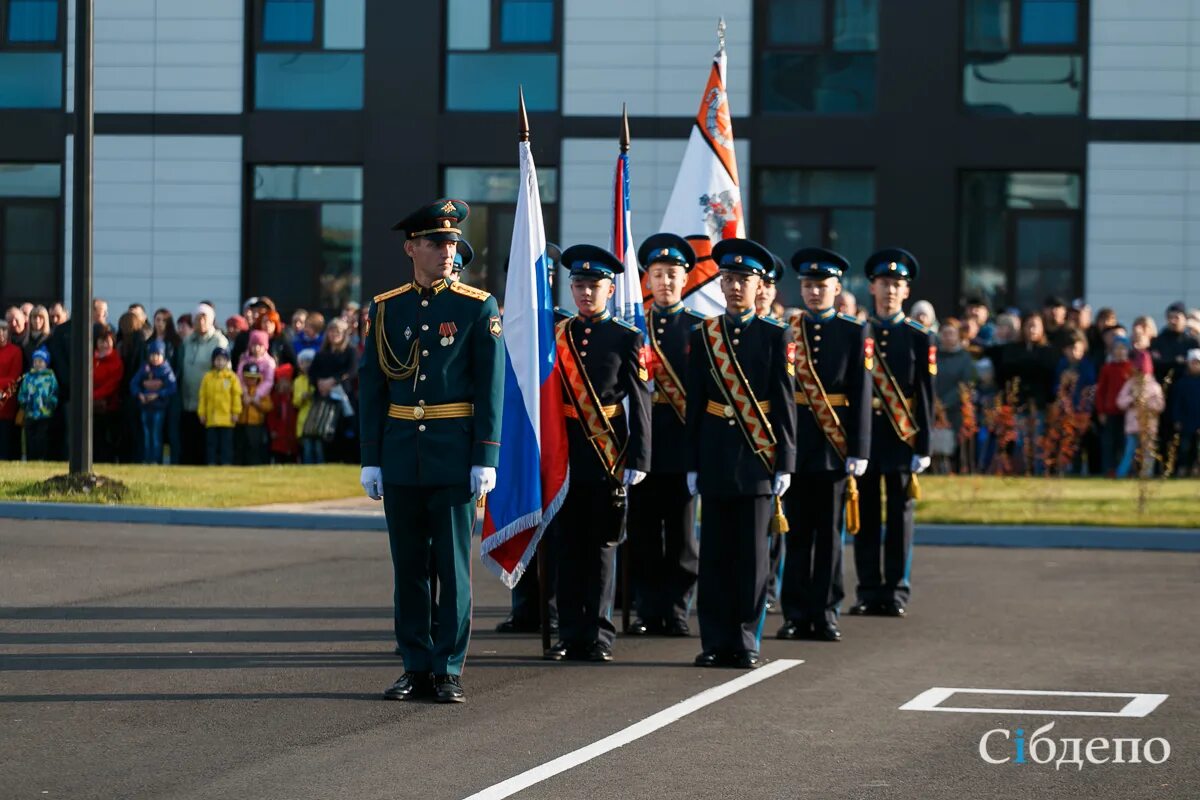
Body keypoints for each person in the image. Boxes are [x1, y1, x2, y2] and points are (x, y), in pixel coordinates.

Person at [359, 199, 504, 704]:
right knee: (410, 569)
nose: (446, 250)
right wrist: (371, 457)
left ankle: (448, 668)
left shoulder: (475, 306)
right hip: (401, 454)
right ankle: (415, 665)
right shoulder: (386, 307)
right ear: (411, 248)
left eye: (450, 242)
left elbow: (490, 387)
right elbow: (373, 387)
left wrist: (485, 457)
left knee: (452, 566)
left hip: (452, 454)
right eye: (435, 242)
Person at [687, 238, 796, 668]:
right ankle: (714, 640)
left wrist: (784, 461)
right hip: (715, 453)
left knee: (752, 559)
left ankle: (746, 639)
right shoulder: (706, 333)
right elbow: (696, 402)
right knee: (713, 556)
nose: (735, 287)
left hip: (758, 455)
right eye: (728, 279)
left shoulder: (775, 335)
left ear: (759, 285)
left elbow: (785, 403)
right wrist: (693, 461)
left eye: (743, 280)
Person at [543, 243, 651, 664]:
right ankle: (569, 633)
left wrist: (638, 460)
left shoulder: (626, 337)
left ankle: (598, 634)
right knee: (567, 547)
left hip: (607, 454)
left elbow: (640, 402)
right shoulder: (558, 334)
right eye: (579, 285)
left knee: (602, 549)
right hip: (565, 454)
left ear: (610, 289)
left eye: (595, 285)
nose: (586, 293)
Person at [776, 247, 870, 644]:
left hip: (834, 445)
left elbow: (861, 392)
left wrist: (859, 449)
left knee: (830, 537)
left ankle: (826, 611)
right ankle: (795, 612)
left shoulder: (852, 331)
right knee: (795, 536)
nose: (815, 293)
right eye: (808, 286)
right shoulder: (786, 329)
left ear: (837, 288)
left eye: (822, 286)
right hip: (797, 444)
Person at [626, 233, 704, 638]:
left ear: (685, 278)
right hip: (642, 445)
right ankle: (647, 607)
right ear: (647, 279)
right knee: (641, 534)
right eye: (657, 275)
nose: (665, 282)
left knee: (680, 536)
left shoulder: (699, 330)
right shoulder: (634, 327)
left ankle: (675, 608)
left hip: (680, 446)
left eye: (672, 275)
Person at [850, 248, 934, 619]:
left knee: (900, 516)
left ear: (907, 291)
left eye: (896, 284)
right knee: (865, 514)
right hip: (868, 437)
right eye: (884, 283)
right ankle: (868, 589)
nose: (889, 291)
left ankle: (896, 590)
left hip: (902, 436)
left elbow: (926, 397)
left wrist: (925, 444)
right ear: (872, 287)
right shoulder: (857, 332)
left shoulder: (919, 336)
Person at [178, 304, 228, 464]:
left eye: (204, 317)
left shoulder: (219, 340)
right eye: (198, 318)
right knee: (190, 440)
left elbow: (225, 370)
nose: (201, 321)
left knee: (207, 443)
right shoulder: (187, 341)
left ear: (212, 320)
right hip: (189, 399)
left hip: (210, 403)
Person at [310, 317, 358, 462]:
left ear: (344, 333)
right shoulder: (321, 353)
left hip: (344, 397)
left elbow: (352, 371)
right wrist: (320, 384)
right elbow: (312, 372)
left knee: (345, 430)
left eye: (337, 331)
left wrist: (333, 381)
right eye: (331, 331)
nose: (334, 334)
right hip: (324, 398)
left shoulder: (350, 351)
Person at [934, 319, 978, 472]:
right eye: (944, 334)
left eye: (951, 334)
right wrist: (934, 403)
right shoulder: (934, 356)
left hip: (956, 410)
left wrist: (943, 404)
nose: (947, 337)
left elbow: (965, 384)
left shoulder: (965, 358)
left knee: (956, 447)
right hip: (934, 409)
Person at [1116, 351, 1165, 478]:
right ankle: (1121, 474)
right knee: (1129, 452)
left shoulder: (1154, 387)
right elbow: (1120, 401)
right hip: (1132, 426)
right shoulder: (1130, 384)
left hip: (1148, 426)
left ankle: (1147, 475)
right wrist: (1132, 399)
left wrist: (1147, 403)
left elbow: (1160, 405)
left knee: (1148, 453)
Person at [129, 340, 177, 464]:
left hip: (159, 408)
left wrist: (157, 395)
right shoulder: (144, 368)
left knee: (156, 435)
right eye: (152, 354)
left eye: (158, 355)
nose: (155, 358)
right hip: (145, 407)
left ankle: (156, 459)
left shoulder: (166, 370)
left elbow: (172, 387)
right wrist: (139, 394)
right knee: (146, 435)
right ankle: (146, 458)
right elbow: (133, 383)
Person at [236, 329, 276, 466]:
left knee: (256, 443)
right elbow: (239, 378)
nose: (256, 348)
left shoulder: (269, 362)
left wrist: (256, 396)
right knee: (241, 443)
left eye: (259, 345)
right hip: (243, 405)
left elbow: (268, 381)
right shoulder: (244, 360)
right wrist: (245, 393)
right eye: (253, 345)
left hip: (259, 404)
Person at [1096, 336, 1134, 476]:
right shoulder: (1107, 369)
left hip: (1127, 413)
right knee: (1109, 443)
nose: (1120, 352)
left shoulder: (1131, 368)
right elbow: (1101, 391)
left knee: (1124, 443)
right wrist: (1101, 411)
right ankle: (1109, 469)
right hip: (1110, 411)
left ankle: (1125, 469)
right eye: (1117, 349)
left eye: (1123, 349)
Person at [198, 347, 242, 465]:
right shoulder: (208, 377)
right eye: (217, 359)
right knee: (211, 444)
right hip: (211, 418)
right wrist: (202, 413)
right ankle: (211, 463)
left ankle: (226, 463)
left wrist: (235, 412)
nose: (220, 362)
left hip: (227, 418)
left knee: (226, 444)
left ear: (227, 361)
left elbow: (236, 396)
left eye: (223, 359)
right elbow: (203, 397)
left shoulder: (231, 377)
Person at [17, 347, 57, 460]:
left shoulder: (50, 377)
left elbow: (54, 392)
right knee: (30, 437)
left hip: (44, 414)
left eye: (41, 361)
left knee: (42, 437)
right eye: (35, 361)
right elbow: (22, 392)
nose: (38, 364)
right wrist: (23, 402)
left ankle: (42, 457)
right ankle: (30, 457)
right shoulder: (28, 377)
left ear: (46, 363)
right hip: (30, 413)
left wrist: (51, 405)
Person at [92, 329, 124, 463]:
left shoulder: (116, 360)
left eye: (107, 342)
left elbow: (113, 383)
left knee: (107, 437)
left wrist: (94, 395)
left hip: (109, 405)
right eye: (101, 341)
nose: (104, 345)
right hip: (92, 406)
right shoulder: (92, 358)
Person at [1169, 349, 1200, 475]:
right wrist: (1177, 419)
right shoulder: (1181, 383)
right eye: (1193, 362)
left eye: (1198, 363)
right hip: (1186, 421)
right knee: (1184, 448)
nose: (1195, 365)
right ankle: (1182, 468)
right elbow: (1176, 403)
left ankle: (1195, 469)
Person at [0, 320, 24, 459]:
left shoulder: (15, 351)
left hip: (6, 400)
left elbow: (14, 377)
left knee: (6, 438)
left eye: (4, 331)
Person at [293, 349, 321, 464]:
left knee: (319, 448)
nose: (307, 365)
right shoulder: (298, 381)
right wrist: (302, 397)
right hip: (304, 420)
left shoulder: (318, 379)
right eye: (304, 362)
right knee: (308, 449)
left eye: (310, 362)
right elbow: (295, 402)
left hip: (317, 419)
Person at [268, 363, 297, 463]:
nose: (283, 385)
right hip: (279, 434)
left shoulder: (293, 396)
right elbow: (271, 416)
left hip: (292, 433)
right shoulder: (275, 398)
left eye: (285, 381)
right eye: (281, 382)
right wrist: (272, 430)